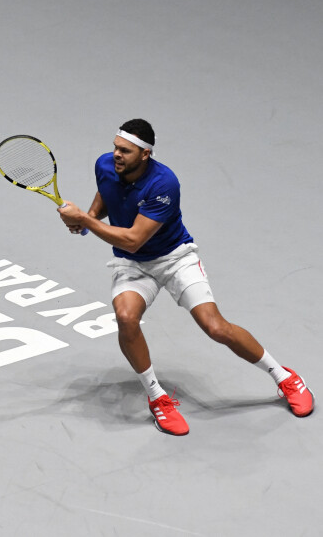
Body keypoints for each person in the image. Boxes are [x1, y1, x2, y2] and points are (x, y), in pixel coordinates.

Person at [58, 118, 314, 436]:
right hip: (132, 266)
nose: (116, 155)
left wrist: (83, 218)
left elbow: (134, 239)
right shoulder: (106, 165)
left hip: (174, 259)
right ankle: (158, 398)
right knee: (125, 317)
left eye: (125, 150)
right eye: (115, 147)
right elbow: (107, 192)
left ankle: (285, 377)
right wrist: (92, 216)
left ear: (145, 154)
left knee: (216, 327)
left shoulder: (165, 184)